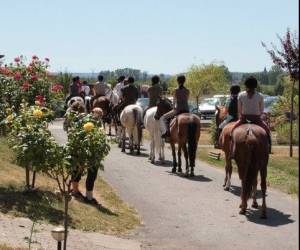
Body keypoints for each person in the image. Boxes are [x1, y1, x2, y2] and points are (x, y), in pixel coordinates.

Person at [231, 76, 271, 153]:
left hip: (243, 118)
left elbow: (239, 110)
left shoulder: (241, 95)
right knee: (268, 132)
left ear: (246, 85)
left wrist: (242, 115)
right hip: (257, 119)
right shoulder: (260, 96)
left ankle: (233, 149)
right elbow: (261, 110)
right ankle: (268, 148)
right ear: (255, 85)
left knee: (232, 131)